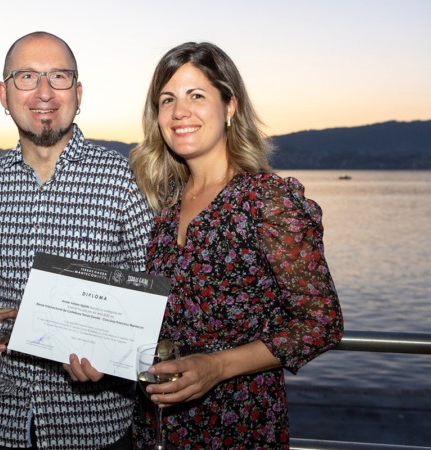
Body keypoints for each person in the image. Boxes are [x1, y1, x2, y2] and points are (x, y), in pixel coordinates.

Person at [128, 42, 344, 449]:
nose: (179, 112)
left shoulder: (266, 200)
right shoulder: (164, 203)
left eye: (197, 96)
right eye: (167, 99)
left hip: (239, 425)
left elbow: (322, 323)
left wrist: (217, 366)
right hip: (157, 426)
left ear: (230, 106)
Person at [0, 31, 154, 450]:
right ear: (3, 95)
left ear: (78, 93)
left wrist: (115, 354)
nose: (44, 92)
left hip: (94, 424)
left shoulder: (125, 182)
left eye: (59, 77)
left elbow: (154, 291)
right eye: (27, 77)